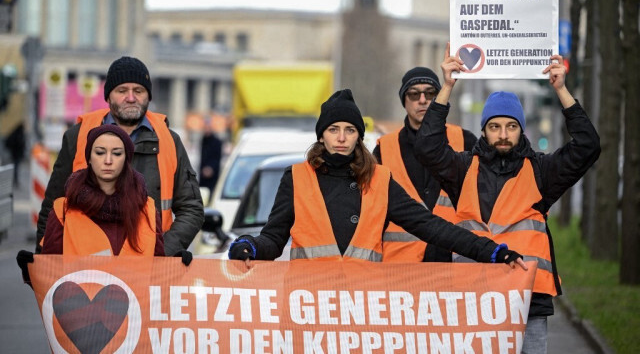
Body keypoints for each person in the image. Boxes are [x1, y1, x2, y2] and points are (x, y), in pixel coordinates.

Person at [414, 46, 600, 354]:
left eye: (511, 126)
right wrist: (447, 86)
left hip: (528, 301)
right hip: (473, 299)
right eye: (495, 126)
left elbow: (587, 147)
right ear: (484, 131)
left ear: (521, 130)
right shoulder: (463, 169)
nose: (503, 134)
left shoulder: (541, 171)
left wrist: (562, 91)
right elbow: (428, 148)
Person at [227, 89, 527, 272]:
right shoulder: (296, 178)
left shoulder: (379, 180)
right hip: (309, 307)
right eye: (334, 130)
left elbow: (432, 227)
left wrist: (491, 251)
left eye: (349, 130)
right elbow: (274, 239)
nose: (342, 138)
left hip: (363, 309)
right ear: (322, 135)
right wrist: (250, 245)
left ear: (359, 135)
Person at [34, 56, 204, 256]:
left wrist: (163, 253)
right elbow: (53, 206)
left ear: (148, 96)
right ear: (108, 96)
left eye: (138, 91)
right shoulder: (78, 136)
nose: (131, 98)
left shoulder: (169, 140)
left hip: (148, 271)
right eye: (122, 91)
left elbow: (191, 208)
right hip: (85, 268)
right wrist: (43, 265)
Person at [373, 67, 477, 262]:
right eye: (414, 94)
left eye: (430, 93)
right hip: (401, 269)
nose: (423, 100)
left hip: (456, 262)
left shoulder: (465, 140)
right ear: (404, 100)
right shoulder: (384, 149)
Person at [41, 125, 164, 256]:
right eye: (100, 153)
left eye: (117, 153)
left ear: (126, 159)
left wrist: (178, 266)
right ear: (89, 158)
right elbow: (51, 270)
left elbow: (159, 270)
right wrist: (32, 267)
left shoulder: (148, 211)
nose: (108, 161)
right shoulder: (63, 211)